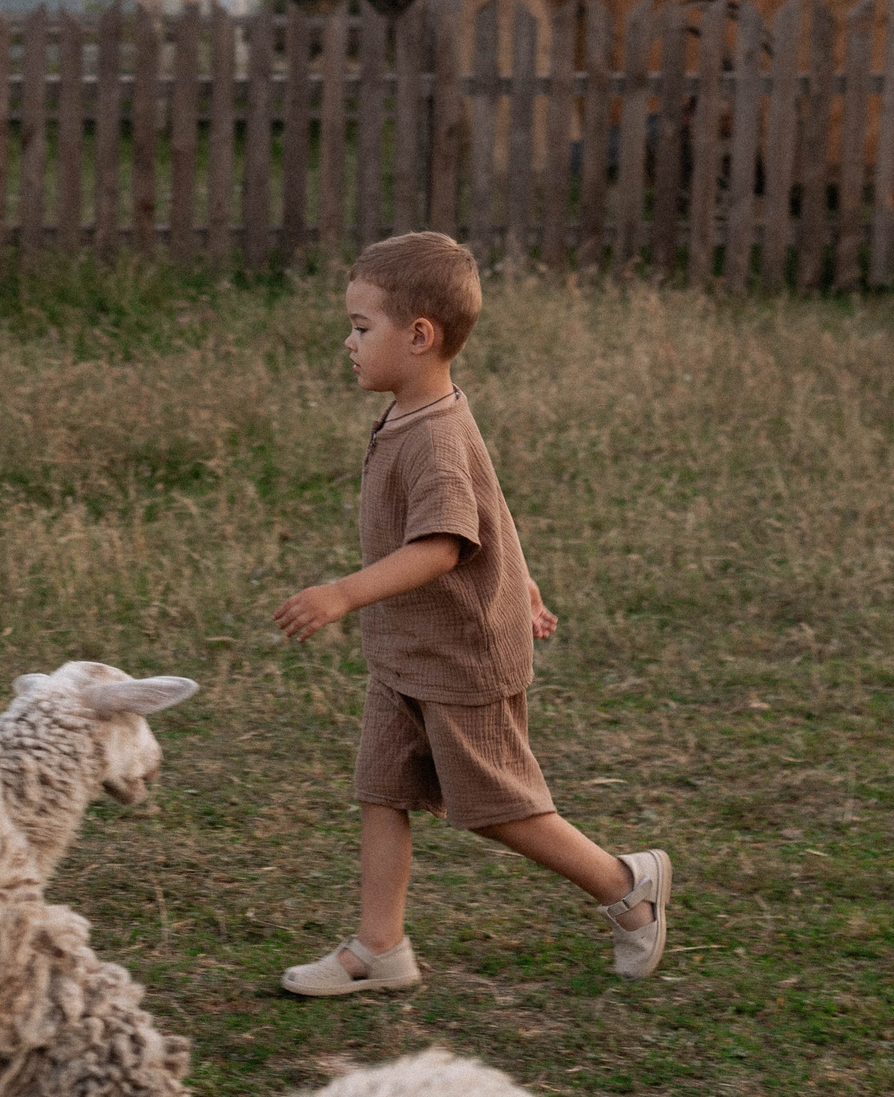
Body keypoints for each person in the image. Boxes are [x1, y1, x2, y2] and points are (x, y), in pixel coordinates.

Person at [272, 232, 671, 993]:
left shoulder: (435, 435)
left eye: (361, 327)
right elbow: (490, 507)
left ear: (419, 336)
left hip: (460, 657)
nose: (348, 343)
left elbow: (443, 545)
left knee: (495, 807)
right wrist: (522, 580)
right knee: (383, 788)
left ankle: (627, 886)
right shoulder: (420, 412)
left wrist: (342, 593)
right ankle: (380, 947)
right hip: (407, 654)